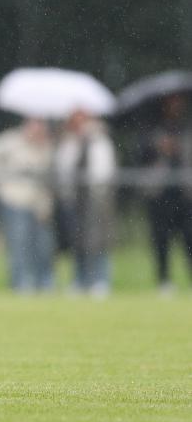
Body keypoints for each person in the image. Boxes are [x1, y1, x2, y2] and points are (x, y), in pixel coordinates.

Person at [0, 119, 55, 292]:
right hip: (14, 201)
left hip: (38, 204)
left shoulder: (46, 146)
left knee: (43, 245)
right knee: (19, 244)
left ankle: (44, 283)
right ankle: (20, 283)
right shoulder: (11, 141)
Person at [55, 110, 116, 297]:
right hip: (75, 198)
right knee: (77, 242)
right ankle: (79, 280)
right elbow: (63, 168)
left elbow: (103, 170)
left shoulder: (99, 141)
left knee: (98, 241)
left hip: (95, 198)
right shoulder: (69, 142)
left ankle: (100, 279)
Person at [137, 94, 192, 292]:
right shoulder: (152, 131)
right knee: (161, 239)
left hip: (185, 195)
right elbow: (141, 156)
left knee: (189, 239)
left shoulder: (186, 128)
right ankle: (164, 281)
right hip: (160, 195)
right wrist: (159, 147)